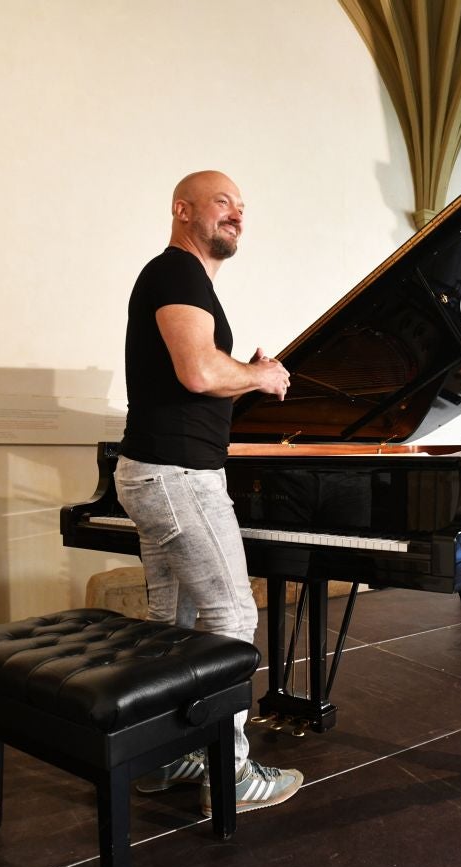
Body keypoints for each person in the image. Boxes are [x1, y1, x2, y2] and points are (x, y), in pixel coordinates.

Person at [114, 170, 303, 815]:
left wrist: (243, 380)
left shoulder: (180, 280)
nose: (238, 216)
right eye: (224, 203)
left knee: (174, 626)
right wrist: (257, 374)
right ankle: (234, 772)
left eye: (243, 207)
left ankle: (168, 756)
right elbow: (197, 370)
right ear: (182, 209)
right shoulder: (176, 273)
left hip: (157, 473)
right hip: (178, 479)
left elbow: (192, 377)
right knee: (233, 619)